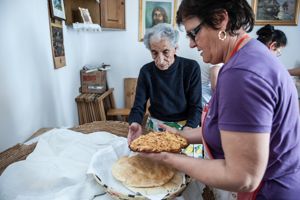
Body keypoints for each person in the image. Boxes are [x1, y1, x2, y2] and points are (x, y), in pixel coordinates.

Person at [140, 0, 300, 199]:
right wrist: (181, 136)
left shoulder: (241, 74)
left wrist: (166, 157)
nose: (191, 43)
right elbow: (227, 129)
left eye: (194, 32)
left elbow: (243, 177)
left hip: (270, 192)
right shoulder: (249, 57)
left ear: (221, 20)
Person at [128, 23, 202, 143]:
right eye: (154, 53)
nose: (160, 60)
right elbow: (138, 106)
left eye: (165, 52)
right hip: (157, 126)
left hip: (186, 127)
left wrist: (187, 131)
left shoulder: (191, 68)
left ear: (175, 48)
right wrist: (135, 123)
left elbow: (196, 107)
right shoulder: (146, 71)